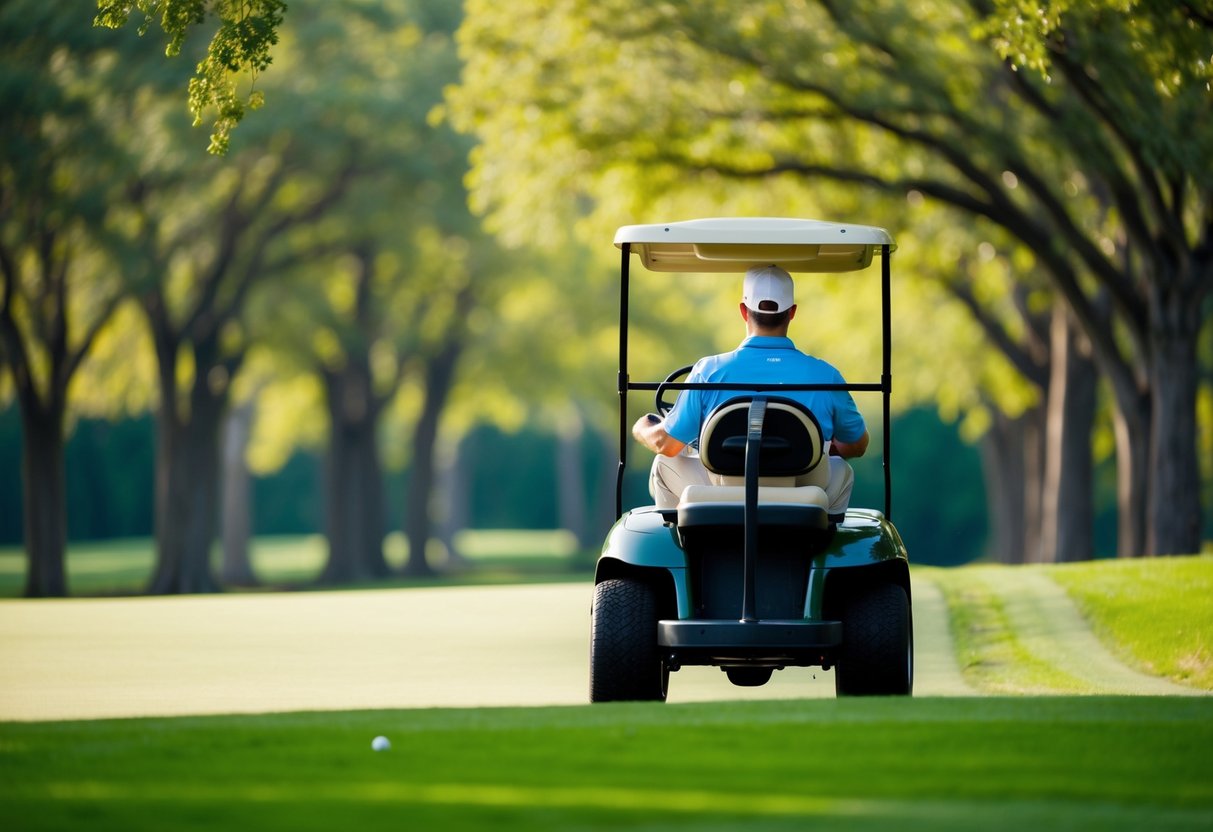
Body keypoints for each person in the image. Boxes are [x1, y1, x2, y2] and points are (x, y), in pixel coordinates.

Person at [632, 264, 869, 521]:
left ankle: (685, 549)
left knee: (664, 463)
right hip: (802, 490)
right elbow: (857, 444)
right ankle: (823, 550)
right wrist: (827, 446)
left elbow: (666, 445)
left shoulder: (708, 371)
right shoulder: (825, 375)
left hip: (724, 490)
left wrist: (642, 427)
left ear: (744, 311)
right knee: (839, 468)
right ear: (792, 312)